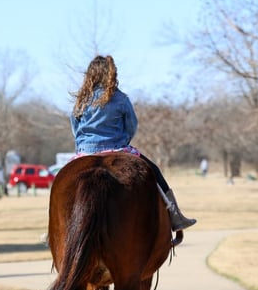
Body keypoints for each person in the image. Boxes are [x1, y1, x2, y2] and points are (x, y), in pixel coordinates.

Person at [70, 55, 196, 231]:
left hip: (85, 151)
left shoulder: (81, 100)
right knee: (155, 172)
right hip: (117, 148)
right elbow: (131, 126)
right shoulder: (120, 98)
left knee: (61, 182)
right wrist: (123, 141)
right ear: (111, 74)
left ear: (89, 75)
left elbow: (75, 128)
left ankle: (53, 227)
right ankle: (176, 217)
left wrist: (84, 145)